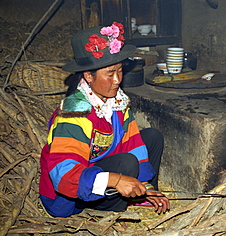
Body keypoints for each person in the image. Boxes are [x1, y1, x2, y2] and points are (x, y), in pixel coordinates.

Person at [39, 22, 170, 218]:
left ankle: (140, 196)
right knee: (127, 163)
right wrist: (116, 180)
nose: (117, 79)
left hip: (100, 166)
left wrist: (146, 187)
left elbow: (133, 143)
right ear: (88, 76)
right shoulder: (74, 113)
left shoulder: (117, 102)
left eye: (119, 70)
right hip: (70, 196)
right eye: (110, 73)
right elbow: (64, 176)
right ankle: (111, 212)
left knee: (152, 137)